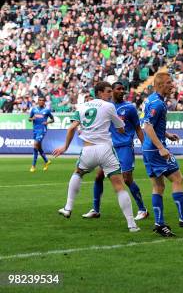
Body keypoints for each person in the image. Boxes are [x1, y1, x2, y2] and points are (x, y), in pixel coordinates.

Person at [53, 82, 139, 232]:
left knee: (78, 173)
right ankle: (131, 224)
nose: (110, 94)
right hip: (105, 149)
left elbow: (72, 127)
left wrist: (65, 147)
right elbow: (120, 128)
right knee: (119, 186)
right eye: (107, 92)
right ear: (99, 93)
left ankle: (68, 208)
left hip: (87, 150)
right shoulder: (109, 106)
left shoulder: (82, 107)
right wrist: (120, 130)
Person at [142, 73, 183, 237]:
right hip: (156, 150)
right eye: (169, 83)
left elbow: (151, 125)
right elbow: (147, 126)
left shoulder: (153, 100)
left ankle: (160, 224)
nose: (172, 85)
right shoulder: (158, 104)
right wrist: (161, 147)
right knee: (177, 179)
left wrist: (167, 134)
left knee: (159, 186)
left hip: (149, 149)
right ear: (160, 85)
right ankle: (182, 219)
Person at [82, 82, 148, 220]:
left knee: (127, 179)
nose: (122, 91)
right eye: (118, 89)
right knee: (98, 176)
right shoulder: (106, 107)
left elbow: (138, 128)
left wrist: (145, 146)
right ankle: (96, 209)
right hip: (109, 147)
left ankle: (142, 209)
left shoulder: (129, 108)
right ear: (111, 91)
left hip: (124, 146)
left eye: (123, 88)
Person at [29, 96, 54, 172]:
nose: (41, 101)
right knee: (38, 147)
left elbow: (53, 119)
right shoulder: (34, 109)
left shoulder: (47, 110)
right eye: (40, 100)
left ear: (44, 102)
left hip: (42, 130)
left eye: (43, 100)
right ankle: (46, 161)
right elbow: (29, 119)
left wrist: (47, 122)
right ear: (38, 101)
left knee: (35, 145)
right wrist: (31, 119)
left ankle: (33, 166)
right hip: (35, 130)